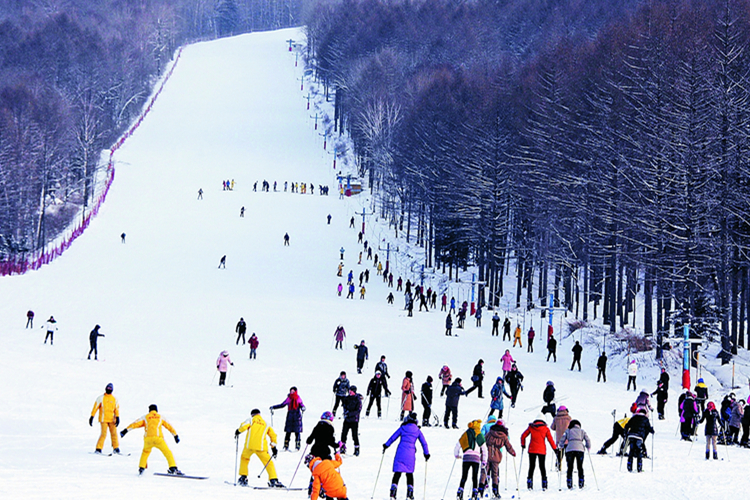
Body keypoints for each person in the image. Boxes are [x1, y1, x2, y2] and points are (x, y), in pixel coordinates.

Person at [120, 404, 181, 476]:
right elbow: (169, 426)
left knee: (145, 452)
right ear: (156, 410)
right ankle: (172, 467)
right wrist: (175, 436)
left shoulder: (146, 417)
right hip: (158, 438)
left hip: (148, 439)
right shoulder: (160, 417)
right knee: (167, 452)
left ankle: (141, 467)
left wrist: (125, 431)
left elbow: (135, 424)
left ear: (149, 410)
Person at [383, 412, 430, 500]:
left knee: (397, 473)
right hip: (410, 454)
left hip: (400, 452)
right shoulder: (417, 430)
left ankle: (393, 492)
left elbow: (393, 437)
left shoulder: (403, 428)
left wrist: (386, 445)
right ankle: (410, 493)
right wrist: (426, 454)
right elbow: (424, 443)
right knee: (409, 474)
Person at [234, 409, 283, 487]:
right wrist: (273, 447)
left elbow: (244, 426)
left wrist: (238, 431)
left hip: (249, 446)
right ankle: (273, 480)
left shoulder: (251, 419)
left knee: (244, 459)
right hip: (261, 447)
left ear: (252, 414)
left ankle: (243, 477)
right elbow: (273, 435)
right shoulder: (266, 423)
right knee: (268, 463)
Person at [520, 414, 556, 491]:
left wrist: (523, 444)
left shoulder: (531, 427)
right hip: (541, 450)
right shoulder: (545, 429)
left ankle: (529, 483)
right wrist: (555, 449)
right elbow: (550, 440)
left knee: (531, 466)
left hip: (532, 449)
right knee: (542, 467)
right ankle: (544, 484)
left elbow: (523, 436)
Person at [454, 420, 488, 500]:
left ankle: (460, 491)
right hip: (476, 458)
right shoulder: (479, 435)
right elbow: (484, 449)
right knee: (474, 476)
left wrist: (456, 454)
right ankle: (474, 493)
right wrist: (484, 460)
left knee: (464, 476)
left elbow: (458, 444)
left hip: (466, 458)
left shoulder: (466, 433)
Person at [485, 418, 516, 498]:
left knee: (484, 472)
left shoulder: (490, 432)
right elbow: (508, 446)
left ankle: (480, 489)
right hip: (497, 456)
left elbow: (484, 440)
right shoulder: (503, 435)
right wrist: (512, 452)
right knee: (495, 474)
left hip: (487, 455)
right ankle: (495, 491)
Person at [90, 382, 121, 454]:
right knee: (103, 434)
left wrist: (118, 417)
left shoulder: (114, 399)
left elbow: (117, 409)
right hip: (103, 419)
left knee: (114, 434)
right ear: (105, 388)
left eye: (110, 388)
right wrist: (92, 416)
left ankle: (116, 448)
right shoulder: (100, 398)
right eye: (108, 388)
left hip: (112, 420)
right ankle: (98, 448)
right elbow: (95, 407)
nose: (109, 389)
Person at [559, 419, 590, 489]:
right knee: (580, 467)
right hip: (580, 450)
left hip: (570, 450)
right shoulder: (582, 431)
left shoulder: (568, 431)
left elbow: (562, 438)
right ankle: (581, 482)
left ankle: (569, 483)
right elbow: (587, 439)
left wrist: (561, 445)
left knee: (570, 467)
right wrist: (588, 446)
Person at [623, 408, 653, 473]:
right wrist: (652, 430)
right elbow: (648, 427)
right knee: (639, 451)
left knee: (631, 450)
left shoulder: (634, 417)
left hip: (631, 435)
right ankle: (639, 467)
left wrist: (626, 433)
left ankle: (629, 466)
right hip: (639, 437)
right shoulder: (645, 419)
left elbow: (627, 425)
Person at [340, 386, 362, 456]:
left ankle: (357, 449)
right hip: (347, 419)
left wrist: (349, 414)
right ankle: (342, 447)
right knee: (344, 434)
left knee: (354, 435)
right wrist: (345, 411)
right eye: (349, 390)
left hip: (354, 420)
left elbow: (358, 410)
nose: (350, 392)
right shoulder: (347, 398)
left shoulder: (357, 399)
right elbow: (344, 406)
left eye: (351, 391)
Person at [550, 406, 571, 470]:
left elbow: (552, 427)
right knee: (568, 453)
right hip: (567, 438)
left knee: (559, 452)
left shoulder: (556, 418)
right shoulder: (568, 418)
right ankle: (569, 466)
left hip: (559, 439)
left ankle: (559, 464)